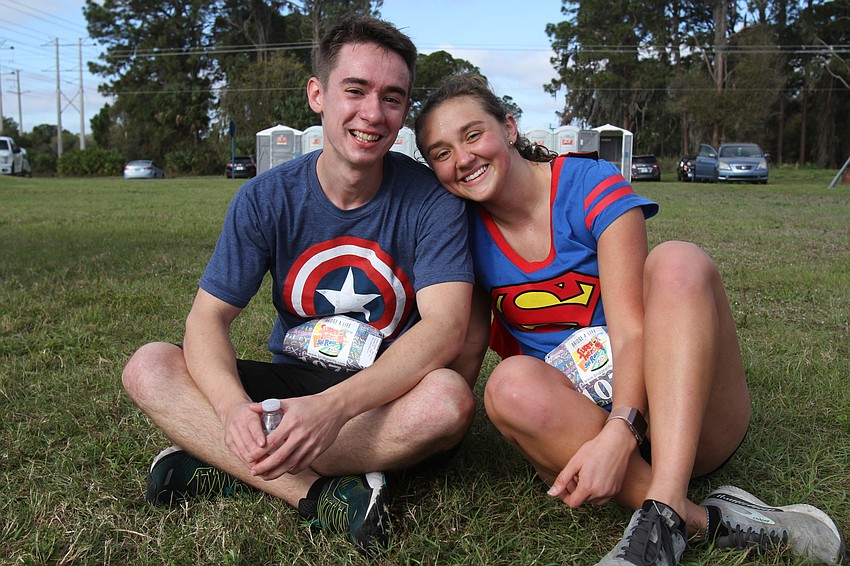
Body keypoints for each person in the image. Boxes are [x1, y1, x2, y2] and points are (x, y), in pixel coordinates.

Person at [413, 73, 845, 566]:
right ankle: (703, 520)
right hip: (582, 432)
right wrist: (424, 441)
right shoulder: (461, 231)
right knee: (507, 386)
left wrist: (623, 430)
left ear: (509, 128)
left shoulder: (587, 184)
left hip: (680, 413)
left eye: (472, 135)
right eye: (441, 152)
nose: (463, 158)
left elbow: (632, 329)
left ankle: (661, 514)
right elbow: (463, 347)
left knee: (678, 261)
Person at [121, 17, 483, 556]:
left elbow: (446, 328)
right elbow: (206, 319)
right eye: (354, 91)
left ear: (404, 111)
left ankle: (224, 466)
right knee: (148, 366)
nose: (371, 114)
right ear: (317, 94)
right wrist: (229, 412)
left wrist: (334, 409)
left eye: (391, 97)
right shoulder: (266, 198)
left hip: (383, 391)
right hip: (289, 382)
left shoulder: (432, 201)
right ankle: (320, 494)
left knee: (448, 402)